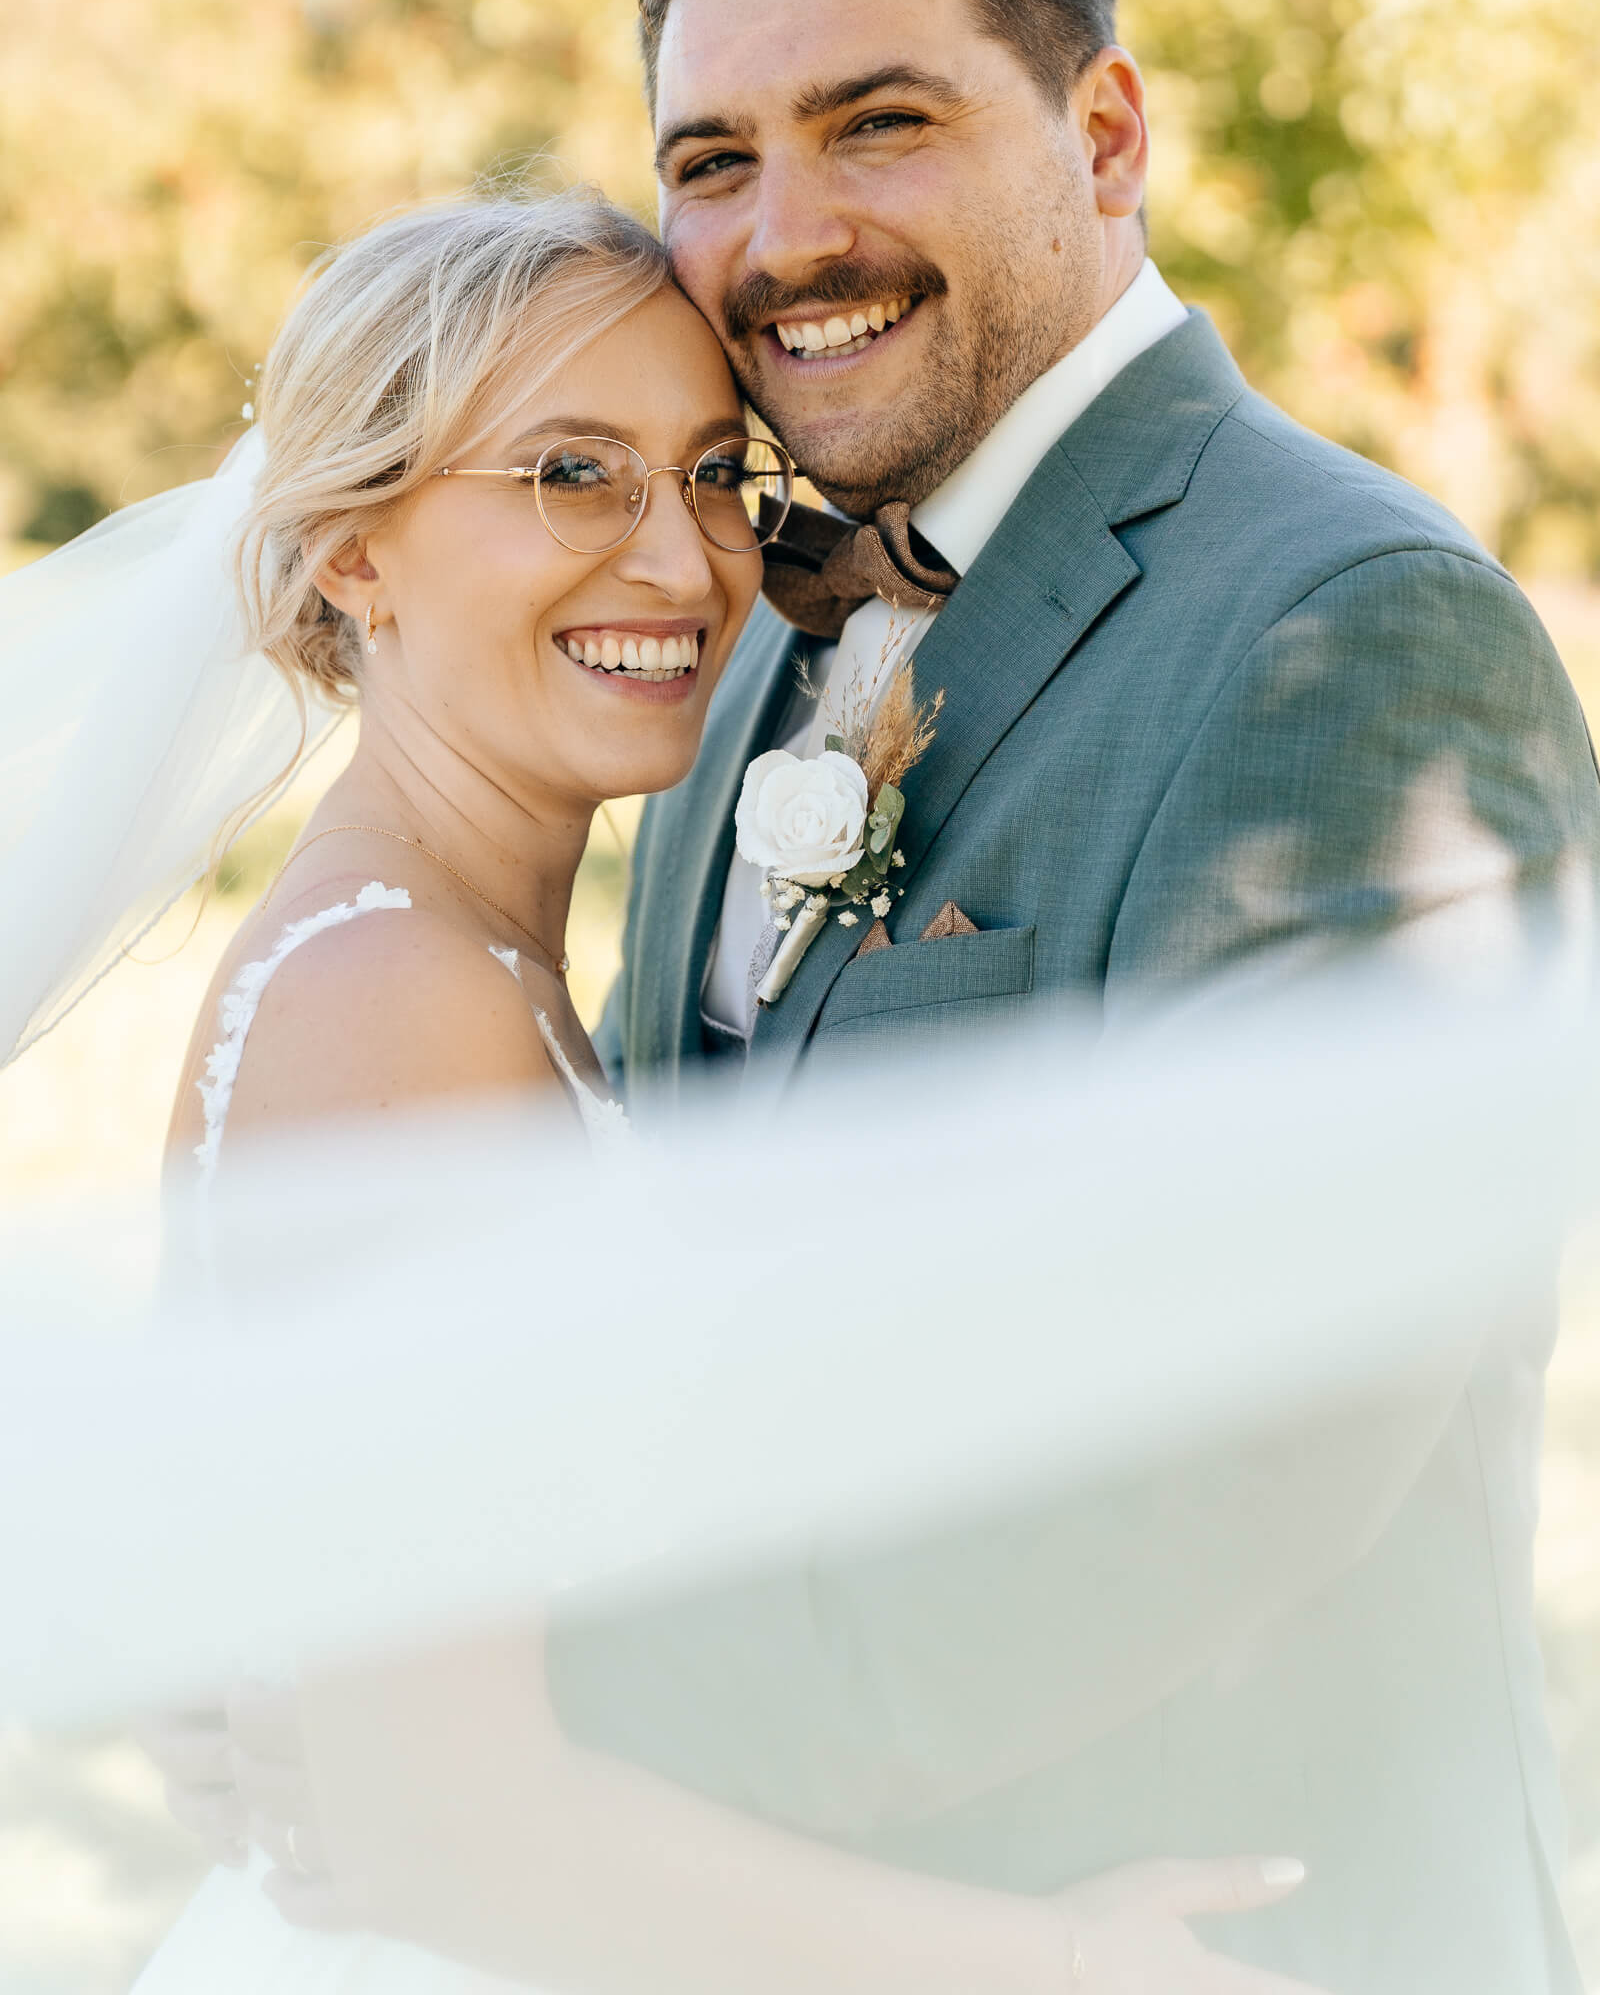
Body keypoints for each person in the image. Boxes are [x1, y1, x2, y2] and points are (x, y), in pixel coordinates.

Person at [560, 0, 1600, 1992]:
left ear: (1104, 134)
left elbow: (1230, 1447)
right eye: (712, 160)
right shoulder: (739, 637)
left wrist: (505, 1733)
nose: (787, 237)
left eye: (880, 122)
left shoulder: (1351, 630)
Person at [120, 187, 1327, 1994]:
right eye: (571, 476)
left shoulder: (464, 965)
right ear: (354, 551)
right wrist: (1062, 1964)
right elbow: (443, 1828)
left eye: (711, 476)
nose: (685, 567)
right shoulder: (397, 1009)